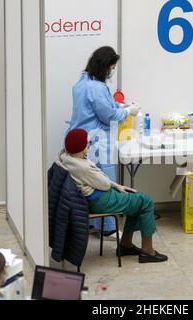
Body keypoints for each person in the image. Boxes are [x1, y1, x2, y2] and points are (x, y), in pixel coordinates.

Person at [59, 129, 168, 263]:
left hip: (94, 196)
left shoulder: (67, 157)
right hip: (99, 200)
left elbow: (97, 180)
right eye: (88, 144)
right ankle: (148, 251)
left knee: (136, 200)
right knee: (146, 201)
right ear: (81, 148)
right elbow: (104, 183)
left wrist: (116, 186)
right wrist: (112, 184)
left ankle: (125, 245)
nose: (89, 146)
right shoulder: (82, 167)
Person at [67, 46, 140, 241]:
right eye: (112, 67)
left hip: (80, 142)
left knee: (85, 185)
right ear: (105, 66)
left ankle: (92, 223)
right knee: (104, 184)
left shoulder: (82, 82)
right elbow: (108, 115)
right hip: (96, 144)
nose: (113, 71)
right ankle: (108, 228)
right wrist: (128, 112)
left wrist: (122, 105)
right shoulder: (97, 88)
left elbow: (106, 103)